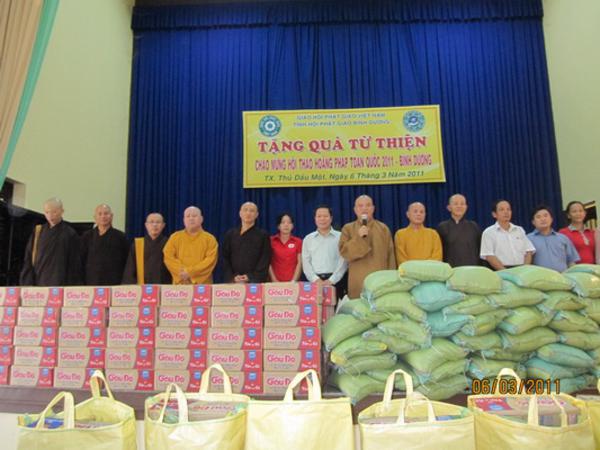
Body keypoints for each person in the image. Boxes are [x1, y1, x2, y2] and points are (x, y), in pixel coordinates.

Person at [339, 195, 396, 298]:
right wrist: (358, 237)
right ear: (355, 209)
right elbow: (345, 253)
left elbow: (390, 257)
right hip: (358, 281)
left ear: (373, 208)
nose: (364, 208)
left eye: (368, 205)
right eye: (360, 206)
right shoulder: (348, 229)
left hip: (380, 281)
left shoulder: (383, 228)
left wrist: (391, 280)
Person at [20, 198, 82, 286]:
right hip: (39, 279)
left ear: (62, 211)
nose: (50, 216)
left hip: (60, 282)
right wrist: (27, 282)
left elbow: (74, 264)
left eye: (54, 212)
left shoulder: (70, 234)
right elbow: (29, 257)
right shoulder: (38, 231)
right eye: (47, 212)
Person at [163, 206, 218, 284]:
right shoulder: (175, 237)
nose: (191, 218)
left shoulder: (210, 239)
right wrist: (181, 272)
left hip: (202, 285)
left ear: (201, 219)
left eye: (194, 216)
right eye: (188, 216)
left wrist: (190, 272)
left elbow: (210, 261)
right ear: (184, 220)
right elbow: (168, 257)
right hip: (180, 283)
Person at [302, 205, 348, 299]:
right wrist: (315, 280)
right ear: (315, 219)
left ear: (331, 218)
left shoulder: (340, 237)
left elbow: (343, 261)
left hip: (337, 282)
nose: (322, 219)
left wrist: (332, 280)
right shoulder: (308, 239)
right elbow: (306, 263)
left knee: (336, 308)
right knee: (316, 308)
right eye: (319, 216)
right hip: (315, 282)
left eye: (325, 216)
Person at [222, 202, 271, 283]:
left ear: (257, 215)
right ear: (240, 213)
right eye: (245, 210)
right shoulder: (230, 234)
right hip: (234, 281)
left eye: (252, 211)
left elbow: (265, 259)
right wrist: (232, 276)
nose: (248, 213)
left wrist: (251, 277)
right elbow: (224, 257)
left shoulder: (262, 235)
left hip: (254, 282)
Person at [81, 204, 129, 285]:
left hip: (114, 281)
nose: (103, 216)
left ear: (111, 216)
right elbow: (81, 260)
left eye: (106, 213)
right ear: (95, 217)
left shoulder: (120, 236)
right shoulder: (87, 236)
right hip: (91, 281)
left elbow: (126, 261)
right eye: (100, 214)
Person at [480, 199, 535, 270]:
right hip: (502, 270)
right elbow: (489, 256)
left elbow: (529, 251)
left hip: (522, 269)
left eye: (508, 209)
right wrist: (506, 272)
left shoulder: (519, 230)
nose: (506, 212)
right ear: (494, 214)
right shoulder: (488, 232)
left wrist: (525, 269)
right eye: (502, 210)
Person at [122, 212, 171, 284]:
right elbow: (130, 269)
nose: (154, 225)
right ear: (146, 225)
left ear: (163, 225)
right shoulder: (138, 244)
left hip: (165, 286)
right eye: (151, 222)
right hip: (142, 286)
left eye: (158, 222)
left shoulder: (170, 243)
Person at [527, 205, 579, 272]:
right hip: (539, 277)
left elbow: (571, 261)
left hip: (562, 276)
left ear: (551, 219)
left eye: (545, 216)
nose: (543, 219)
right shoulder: (528, 239)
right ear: (533, 222)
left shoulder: (563, 238)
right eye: (538, 217)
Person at [436, 194, 482, 267]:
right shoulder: (442, 227)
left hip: (472, 268)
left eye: (462, 204)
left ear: (466, 207)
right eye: (456, 204)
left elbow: (480, 249)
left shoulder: (474, 226)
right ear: (449, 207)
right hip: (451, 269)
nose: (459, 206)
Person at [269, 213, 302, 282]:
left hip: (293, 282)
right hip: (274, 282)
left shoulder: (298, 242)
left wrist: (293, 281)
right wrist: (274, 281)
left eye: (289, 222)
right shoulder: (271, 241)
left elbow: (300, 263)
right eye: (283, 222)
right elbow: (268, 263)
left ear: (292, 226)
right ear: (278, 226)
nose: (286, 225)